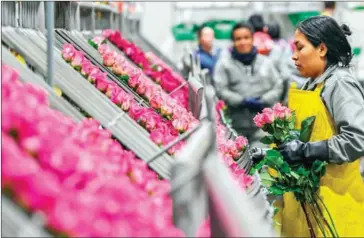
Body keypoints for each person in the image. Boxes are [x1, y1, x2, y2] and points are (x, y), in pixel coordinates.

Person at [251, 16, 364, 237]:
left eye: (300, 48)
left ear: (321, 49)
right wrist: (269, 155)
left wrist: (307, 151)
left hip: (334, 202)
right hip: (308, 202)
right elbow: (302, 139)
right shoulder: (311, 85)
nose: (293, 56)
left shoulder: (339, 84)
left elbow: (358, 138)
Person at [213, 22, 283, 146]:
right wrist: (241, 101)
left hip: (263, 127)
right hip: (236, 126)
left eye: (246, 38)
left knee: (262, 160)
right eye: (238, 39)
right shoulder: (224, 65)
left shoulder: (266, 62)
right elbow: (220, 89)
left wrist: (264, 100)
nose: (243, 42)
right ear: (233, 42)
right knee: (239, 162)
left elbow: (278, 85)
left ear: (252, 39)